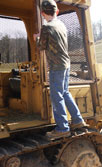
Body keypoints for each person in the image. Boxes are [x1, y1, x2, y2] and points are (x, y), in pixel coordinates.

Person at [33, 0, 86, 140]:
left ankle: (62, 128)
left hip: (56, 66)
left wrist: (36, 38)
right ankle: (78, 120)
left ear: (43, 13)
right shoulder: (61, 24)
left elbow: (40, 48)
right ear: (56, 11)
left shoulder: (47, 27)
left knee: (57, 96)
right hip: (66, 64)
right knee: (65, 92)